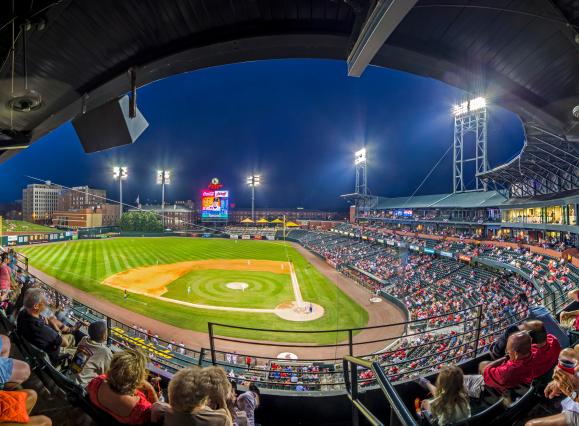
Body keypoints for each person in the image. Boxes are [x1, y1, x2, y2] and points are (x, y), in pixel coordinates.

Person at [87, 348, 160, 425]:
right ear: (138, 380)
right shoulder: (142, 409)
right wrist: (151, 389)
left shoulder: (96, 383)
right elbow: (157, 412)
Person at [463, 332, 534, 398]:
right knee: (483, 364)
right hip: (515, 381)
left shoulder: (507, 372)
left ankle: (482, 389)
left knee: (459, 379)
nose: (507, 352)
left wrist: (504, 358)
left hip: (501, 387)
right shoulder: (534, 353)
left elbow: (485, 371)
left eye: (508, 351)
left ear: (516, 354)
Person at [16, 288, 75, 362]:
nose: (46, 304)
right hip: (53, 358)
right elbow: (65, 343)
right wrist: (57, 329)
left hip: (33, 348)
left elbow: (42, 321)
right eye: (43, 301)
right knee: (72, 338)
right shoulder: (42, 329)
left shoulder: (23, 313)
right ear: (36, 306)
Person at [162, 366, 233, 426]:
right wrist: (223, 402)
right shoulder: (220, 419)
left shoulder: (162, 411)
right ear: (204, 398)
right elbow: (227, 421)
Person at [70, 320, 113, 387]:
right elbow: (108, 374)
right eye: (106, 331)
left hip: (70, 378)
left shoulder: (84, 339)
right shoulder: (105, 352)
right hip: (81, 387)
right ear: (104, 336)